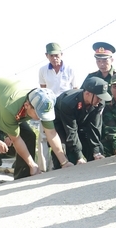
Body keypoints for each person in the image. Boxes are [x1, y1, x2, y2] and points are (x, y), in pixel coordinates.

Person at [0, 77, 74, 184]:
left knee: (29, 135)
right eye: (38, 114)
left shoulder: (42, 101)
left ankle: (22, 178)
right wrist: (32, 163)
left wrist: (64, 162)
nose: (40, 118)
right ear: (27, 105)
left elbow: (51, 133)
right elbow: (16, 139)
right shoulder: (11, 106)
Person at [52, 77, 111, 168]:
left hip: (82, 120)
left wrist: (96, 152)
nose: (100, 100)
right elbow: (71, 131)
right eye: (98, 97)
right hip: (61, 122)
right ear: (87, 94)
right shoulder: (68, 103)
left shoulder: (99, 103)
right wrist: (79, 156)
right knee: (63, 148)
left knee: (92, 145)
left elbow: (94, 127)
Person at [38, 42, 78, 171]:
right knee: (51, 137)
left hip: (67, 107)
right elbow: (43, 91)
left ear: (61, 54)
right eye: (52, 55)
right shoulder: (43, 70)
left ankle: (74, 161)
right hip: (50, 108)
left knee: (70, 134)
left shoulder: (70, 68)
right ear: (47, 56)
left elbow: (76, 89)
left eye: (57, 55)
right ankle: (50, 167)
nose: (55, 58)